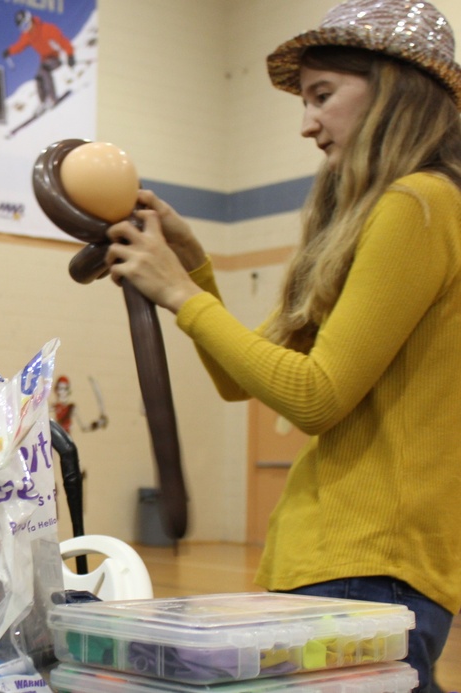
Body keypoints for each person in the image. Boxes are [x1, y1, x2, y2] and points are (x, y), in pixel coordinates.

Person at [103, 1, 461, 690]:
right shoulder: (408, 210)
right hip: (346, 566)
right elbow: (245, 380)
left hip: (370, 570)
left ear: (393, 87)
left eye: (322, 96)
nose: (307, 125)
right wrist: (195, 266)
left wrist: (182, 293)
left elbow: (316, 395)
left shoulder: (418, 204)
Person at [2, 9, 75, 114]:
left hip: (56, 57)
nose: (27, 29)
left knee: (44, 71)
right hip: (45, 60)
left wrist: (70, 54)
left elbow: (62, 41)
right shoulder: (27, 36)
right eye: (23, 27)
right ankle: (44, 102)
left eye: (27, 24)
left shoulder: (46, 29)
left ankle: (52, 98)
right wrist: (9, 51)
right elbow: (19, 46)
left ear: (31, 19)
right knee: (38, 77)